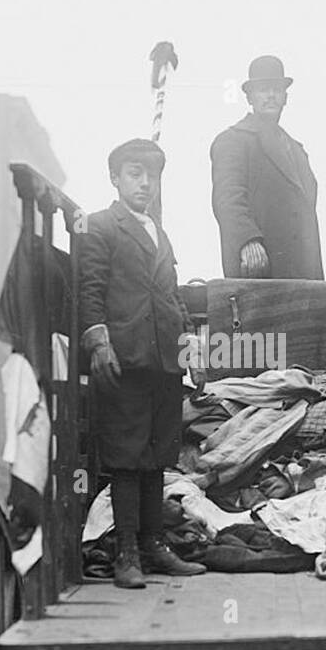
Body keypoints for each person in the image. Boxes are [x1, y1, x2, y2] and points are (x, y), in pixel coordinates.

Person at [80, 138, 207, 589]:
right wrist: (99, 343)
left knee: (156, 455)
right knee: (127, 459)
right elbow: (90, 289)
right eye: (135, 173)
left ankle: (155, 547)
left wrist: (188, 347)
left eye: (152, 175)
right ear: (115, 178)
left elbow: (170, 296)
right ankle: (126, 554)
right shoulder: (100, 226)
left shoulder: (159, 230)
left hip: (163, 359)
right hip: (126, 358)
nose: (145, 183)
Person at [210, 55, 324, 280]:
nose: (271, 96)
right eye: (263, 89)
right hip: (260, 268)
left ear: (286, 98)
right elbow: (228, 199)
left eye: (277, 89)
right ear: (250, 97)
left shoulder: (297, 151)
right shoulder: (233, 140)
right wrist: (247, 240)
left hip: (303, 275)